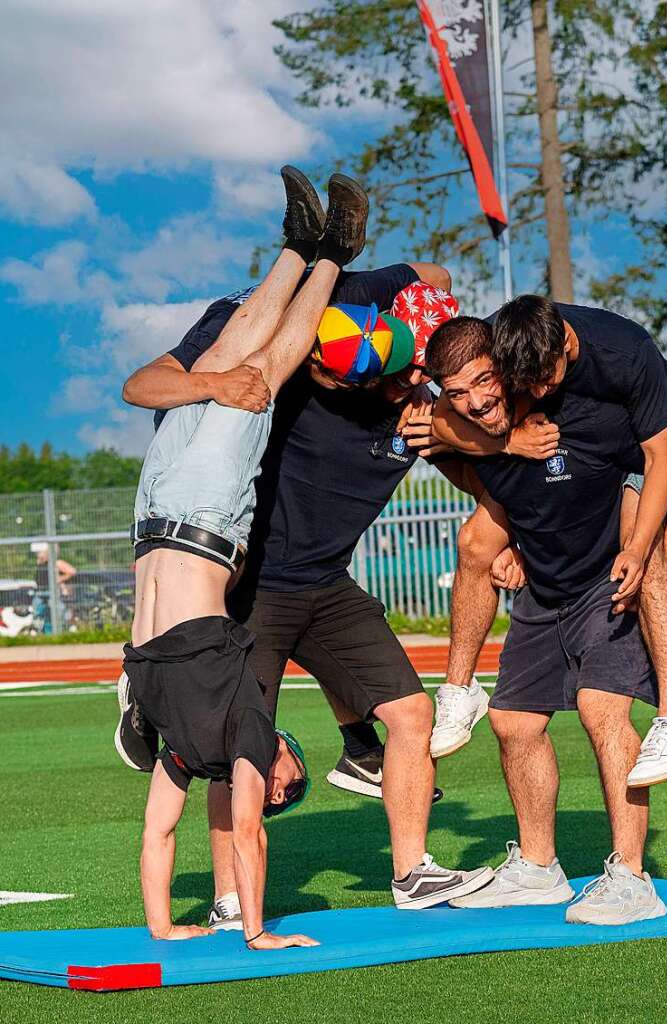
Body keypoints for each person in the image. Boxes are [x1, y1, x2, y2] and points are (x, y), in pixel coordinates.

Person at [120, 189, 493, 922]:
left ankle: (411, 871)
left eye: (379, 377)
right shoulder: (298, 354)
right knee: (234, 750)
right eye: (339, 366)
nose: (351, 381)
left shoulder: (417, 404)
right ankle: (231, 898)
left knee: (411, 716)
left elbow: (442, 292)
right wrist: (343, 272)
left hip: (323, 585)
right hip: (251, 589)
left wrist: (459, 452)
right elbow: (426, 274)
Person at [124, 165, 368, 948]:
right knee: (245, 371)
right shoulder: (214, 741)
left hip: (171, 513)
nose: (289, 767)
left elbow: (174, 837)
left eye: (285, 782)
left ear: (269, 792)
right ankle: (313, 254)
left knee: (238, 368)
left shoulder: (208, 754)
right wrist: (195, 931)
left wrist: (218, 933)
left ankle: (317, 250)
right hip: (187, 523)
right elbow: (177, 838)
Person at [418, 314, 667, 924]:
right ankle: (539, 869)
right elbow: (442, 436)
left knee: (602, 709)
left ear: (510, 371)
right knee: (513, 722)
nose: (476, 400)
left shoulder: (585, 411)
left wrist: (649, 552)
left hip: (607, 580)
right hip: (543, 587)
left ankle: (632, 877)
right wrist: (509, 527)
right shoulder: (472, 427)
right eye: (457, 393)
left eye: (485, 382)